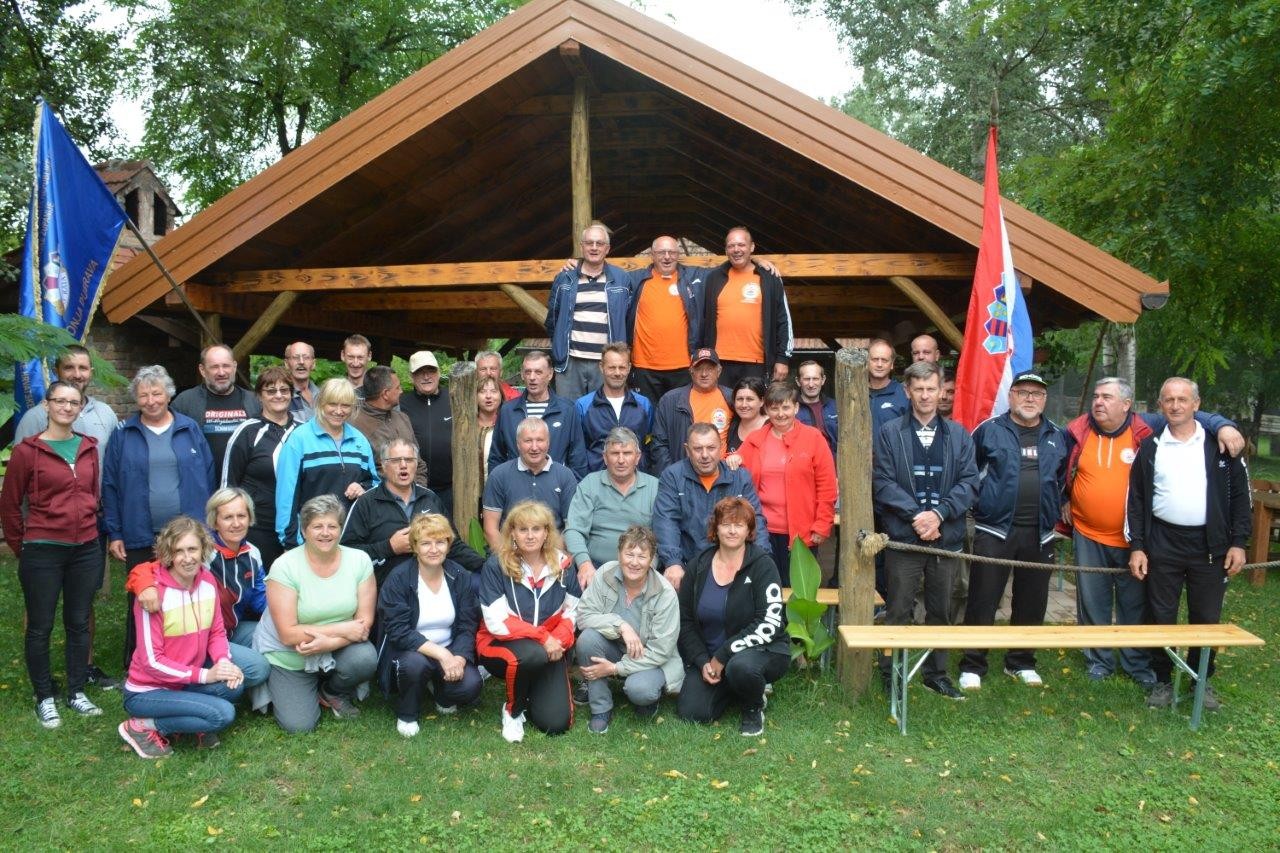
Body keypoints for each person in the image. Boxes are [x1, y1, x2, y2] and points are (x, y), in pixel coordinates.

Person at [1062, 377, 1242, 688]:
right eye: (1096, 396)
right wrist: (1064, 498)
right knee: (1096, 603)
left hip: (1144, 541)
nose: (1098, 402)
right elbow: (1058, 469)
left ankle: (1141, 664)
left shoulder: (1148, 428)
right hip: (1092, 534)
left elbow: (1188, 414)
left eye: (1107, 397)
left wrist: (1224, 425)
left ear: (1127, 405)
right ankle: (1103, 664)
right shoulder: (1078, 430)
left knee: (1140, 606)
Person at [1128, 378, 1250, 711]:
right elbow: (1136, 501)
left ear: (1197, 404)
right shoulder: (1151, 446)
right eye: (1169, 400)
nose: (1176, 406)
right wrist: (1138, 546)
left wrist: (1239, 542)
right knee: (1160, 614)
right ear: (1160, 405)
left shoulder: (1219, 445)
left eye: (1183, 399)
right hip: (1163, 542)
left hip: (1210, 545)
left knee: (1205, 616)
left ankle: (1201, 681)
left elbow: (1241, 497)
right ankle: (1163, 681)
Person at [1, 380, 106, 727]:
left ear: (79, 407)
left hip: (85, 549)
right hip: (43, 549)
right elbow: (10, 504)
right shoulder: (28, 451)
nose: (66, 407)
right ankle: (44, 696)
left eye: (73, 402)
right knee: (40, 626)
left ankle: (76, 690)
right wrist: (23, 545)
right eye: (59, 401)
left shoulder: (88, 447)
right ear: (46, 406)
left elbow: (93, 494)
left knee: (78, 623)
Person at [873, 360, 978, 700]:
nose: (925, 395)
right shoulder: (890, 432)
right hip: (904, 538)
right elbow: (882, 481)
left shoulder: (959, 435)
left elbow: (969, 483)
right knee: (899, 607)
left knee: (941, 608)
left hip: (945, 538)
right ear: (907, 391)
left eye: (931, 389)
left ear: (941, 390)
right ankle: (891, 672)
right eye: (918, 389)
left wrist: (939, 514)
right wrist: (918, 516)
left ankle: (936, 672)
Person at [957, 371, 1068, 691]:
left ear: (1045, 399)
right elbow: (970, 474)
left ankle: (1021, 661)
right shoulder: (989, 431)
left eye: (1037, 393)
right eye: (1023, 392)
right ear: (1012, 395)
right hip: (994, 530)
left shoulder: (1056, 435)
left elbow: (1061, 480)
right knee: (983, 598)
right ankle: (973, 663)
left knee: (1032, 601)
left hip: (1039, 533)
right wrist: (981, 509)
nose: (1030, 398)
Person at [103, 365, 215, 669]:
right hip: (141, 532)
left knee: (189, 595)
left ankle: (190, 659)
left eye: (157, 393)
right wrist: (115, 532)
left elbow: (208, 476)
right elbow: (110, 485)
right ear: (136, 399)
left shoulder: (189, 429)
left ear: (168, 393)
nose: (151, 400)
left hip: (187, 535)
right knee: (143, 599)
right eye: (144, 395)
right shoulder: (123, 434)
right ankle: (138, 663)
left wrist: (208, 527)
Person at [117, 517, 244, 758]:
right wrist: (206, 675)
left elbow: (216, 631)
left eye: (193, 549)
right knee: (222, 714)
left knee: (234, 686)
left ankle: (188, 719)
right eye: (179, 551)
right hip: (148, 691)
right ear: (168, 554)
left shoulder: (207, 581)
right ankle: (140, 727)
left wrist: (223, 662)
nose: (187, 558)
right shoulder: (152, 595)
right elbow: (152, 662)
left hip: (183, 681)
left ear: (204, 549)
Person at [254, 495, 378, 733]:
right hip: (292, 655)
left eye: (332, 526)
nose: (325, 533)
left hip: (339, 647)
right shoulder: (285, 566)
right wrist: (342, 629)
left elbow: (364, 623)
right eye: (317, 526)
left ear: (341, 529)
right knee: (299, 725)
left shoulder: (359, 561)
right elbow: (288, 635)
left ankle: (331, 690)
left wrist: (329, 643)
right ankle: (293, 685)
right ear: (304, 530)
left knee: (364, 658)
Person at [125, 489, 271, 692]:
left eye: (241, 516)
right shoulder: (200, 552)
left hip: (230, 630)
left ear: (250, 518)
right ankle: (202, 683)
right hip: (202, 637)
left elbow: (259, 598)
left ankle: (266, 691)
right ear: (215, 521)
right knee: (258, 668)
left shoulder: (253, 553)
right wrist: (145, 585)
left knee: (274, 633)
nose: (236, 523)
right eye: (228, 517)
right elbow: (147, 569)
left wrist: (290, 615)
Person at [676, 497, 788, 737]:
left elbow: (768, 624)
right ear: (715, 528)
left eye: (739, 525)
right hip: (712, 656)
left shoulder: (763, 566)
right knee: (693, 711)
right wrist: (702, 661)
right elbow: (685, 621)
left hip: (762, 651)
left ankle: (753, 705)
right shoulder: (698, 566)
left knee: (741, 668)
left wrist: (723, 655)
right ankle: (737, 689)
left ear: (749, 530)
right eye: (726, 524)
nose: (732, 530)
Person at [476, 500, 581, 742]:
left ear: (547, 533)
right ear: (512, 533)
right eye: (523, 530)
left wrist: (559, 641)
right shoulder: (496, 565)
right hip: (499, 645)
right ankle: (513, 711)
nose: (530, 536)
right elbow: (497, 621)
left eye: (536, 529)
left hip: (550, 647)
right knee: (531, 654)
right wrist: (544, 638)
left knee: (556, 723)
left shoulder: (564, 565)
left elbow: (573, 612)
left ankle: (533, 691)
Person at [376, 513, 483, 738]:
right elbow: (398, 630)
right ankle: (407, 712)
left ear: (448, 544)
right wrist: (443, 655)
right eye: (425, 543)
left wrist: (459, 658)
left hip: (449, 649)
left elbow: (467, 624)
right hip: (409, 652)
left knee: (471, 685)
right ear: (414, 546)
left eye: (440, 542)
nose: (433, 549)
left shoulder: (459, 575)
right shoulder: (399, 578)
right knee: (415, 665)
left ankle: (442, 694)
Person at [577, 525, 683, 733]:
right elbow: (583, 616)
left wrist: (615, 669)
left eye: (642, 556)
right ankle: (601, 709)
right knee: (588, 639)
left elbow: (661, 651)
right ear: (619, 554)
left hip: (650, 658)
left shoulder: (665, 594)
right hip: (614, 647)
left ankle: (648, 700)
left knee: (640, 690)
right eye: (629, 554)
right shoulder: (605, 573)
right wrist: (621, 626)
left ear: (652, 560)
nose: (634, 562)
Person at [342, 438, 483, 584]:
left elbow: (453, 546)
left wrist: (486, 566)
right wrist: (389, 547)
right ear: (384, 466)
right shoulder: (366, 503)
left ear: (416, 464)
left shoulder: (430, 498)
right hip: (387, 594)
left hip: (432, 588)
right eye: (396, 460)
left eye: (409, 460)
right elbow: (346, 553)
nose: (403, 465)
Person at [734, 382, 837, 584]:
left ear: (796, 408)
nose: (781, 413)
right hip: (762, 530)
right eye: (774, 408)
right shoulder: (756, 439)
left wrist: (822, 524)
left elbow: (827, 486)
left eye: (786, 407)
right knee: (766, 586)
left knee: (799, 588)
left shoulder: (814, 438)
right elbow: (734, 461)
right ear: (766, 410)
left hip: (802, 529)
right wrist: (732, 458)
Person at [653, 423, 769, 590]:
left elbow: (755, 520)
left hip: (734, 567)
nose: (705, 455)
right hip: (688, 566)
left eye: (711, 448)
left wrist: (760, 561)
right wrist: (672, 562)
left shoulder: (739, 477)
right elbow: (666, 520)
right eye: (698, 449)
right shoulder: (673, 476)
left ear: (721, 447)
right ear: (687, 449)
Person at [274, 378, 378, 548]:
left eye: (345, 405)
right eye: (332, 404)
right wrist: (290, 542)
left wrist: (363, 488)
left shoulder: (360, 440)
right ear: (321, 402)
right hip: (310, 540)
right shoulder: (299, 439)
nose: (339, 411)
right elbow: (286, 496)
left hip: (351, 541)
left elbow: (375, 484)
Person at [563, 427, 659, 590]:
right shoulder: (589, 484)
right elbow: (574, 530)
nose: (621, 460)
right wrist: (584, 564)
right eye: (615, 453)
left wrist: (649, 566)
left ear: (638, 457)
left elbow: (663, 535)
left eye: (627, 453)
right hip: (595, 570)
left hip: (641, 570)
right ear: (605, 458)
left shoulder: (655, 487)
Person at [221, 366, 297, 569]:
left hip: (296, 527)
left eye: (284, 390)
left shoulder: (303, 432)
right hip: (259, 526)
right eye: (271, 391)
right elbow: (228, 485)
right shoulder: (247, 432)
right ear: (259, 396)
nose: (278, 395)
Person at [546, 222, 632, 399]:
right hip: (570, 362)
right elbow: (552, 319)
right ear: (581, 246)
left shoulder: (622, 279)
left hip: (607, 362)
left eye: (599, 244)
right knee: (569, 415)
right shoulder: (564, 278)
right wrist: (559, 348)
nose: (594, 248)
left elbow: (630, 319)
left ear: (607, 249)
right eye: (589, 243)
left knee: (602, 416)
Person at [699, 226, 792, 388]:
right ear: (726, 250)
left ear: (752, 247)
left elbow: (783, 321)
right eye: (731, 246)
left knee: (754, 411)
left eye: (741, 245)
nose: (736, 250)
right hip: (719, 363)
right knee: (721, 413)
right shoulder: (713, 278)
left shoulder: (769, 278)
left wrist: (782, 359)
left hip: (756, 363)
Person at [626, 234, 704, 404]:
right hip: (644, 366)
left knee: (679, 417)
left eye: (671, 252)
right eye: (661, 252)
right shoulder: (635, 279)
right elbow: (604, 271)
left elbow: (731, 266)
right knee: (647, 420)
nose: (667, 257)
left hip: (682, 366)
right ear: (652, 255)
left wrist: (756, 261)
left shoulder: (692, 278)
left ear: (678, 255)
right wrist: (577, 263)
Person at [482, 418, 579, 551]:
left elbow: (571, 527)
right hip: (509, 555)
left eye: (540, 440)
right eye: (528, 441)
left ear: (548, 442)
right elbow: (490, 529)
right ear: (518, 444)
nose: (534, 447)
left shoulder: (565, 475)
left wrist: (553, 559)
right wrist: (509, 561)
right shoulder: (499, 475)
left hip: (553, 554)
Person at [488, 350, 586, 476]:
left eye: (538, 372)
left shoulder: (567, 410)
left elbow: (578, 459)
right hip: (515, 488)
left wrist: (571, 491)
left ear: (550, 374)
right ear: (522, 375)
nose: (532, 377)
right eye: (528, 372)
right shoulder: (508, 411)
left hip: (555, 488)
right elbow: (496, 457)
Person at [170, 343, 261, 470]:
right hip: (203, 483)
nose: (221, 372)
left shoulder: (255, 401)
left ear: (234, 367)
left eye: (226, 366)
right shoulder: (185, 402)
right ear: (202, 370)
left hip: (244, 485)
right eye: (214, 367)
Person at [650, 348, 733, 472]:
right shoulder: (670, 400)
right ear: (691, 371)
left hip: (722, 474)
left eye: (709, 369)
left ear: (719, 371)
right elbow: (659, 444)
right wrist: (672, 475)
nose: (704, 374)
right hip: (684, 475)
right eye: (699, 369)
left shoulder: (733, 398)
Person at [575, 342, 653, 474]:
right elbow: (578, 450)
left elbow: (649, 445)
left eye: (622, 368)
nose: (617, 373)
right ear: (601, 367)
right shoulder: (583, 405)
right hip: (596, 482)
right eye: (612, 367)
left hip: (636, 481)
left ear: (629, 368)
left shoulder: (644, 404)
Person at [350, 365, 427, 488]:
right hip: (378, 500)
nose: (401, 391)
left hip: (414, 497)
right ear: (385, 394)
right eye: (397, 387)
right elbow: (357, 473)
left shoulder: (403, 418)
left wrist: (418, 492)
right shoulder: (354, 426)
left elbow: (419, 463)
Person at [399, 351, 455, 510]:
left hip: (451, 487)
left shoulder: (453, 398)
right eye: (420, 372)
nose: (426, 377)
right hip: (415, 486)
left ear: (438, 373)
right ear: (411, 376)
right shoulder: (402, 403)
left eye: (430, 371)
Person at [795, 360, 838, 455]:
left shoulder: (836, 407)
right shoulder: (790, 408)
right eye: (806, 379)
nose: (811, 384)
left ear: (823, 380)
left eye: (815, 379)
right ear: (798, 381)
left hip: (833, 464)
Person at [867, 339, 908, 437]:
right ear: (867, 361)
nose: (879, 364)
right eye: (875, 359)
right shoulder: (855, 392)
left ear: (892, 364)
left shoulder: (903, 393)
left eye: (884, 360)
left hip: (892, 452)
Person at [726, 376, 768, 454]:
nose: (744, 405)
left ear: (762, 401)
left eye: (749, 399)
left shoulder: (771, 426)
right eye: (740, 399)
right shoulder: (732, 424)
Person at [476, 375, 503, 486]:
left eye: (493, 391)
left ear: (501, 395)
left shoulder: (507, 425)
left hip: (499, 488)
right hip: (470, 492)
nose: (488, 396)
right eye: (482, 392)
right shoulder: (466, 426)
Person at [284, 341, 320, 425]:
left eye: (306, 357)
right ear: (286, 364)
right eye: (296, 357)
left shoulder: (324, 395)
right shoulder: (280, 397)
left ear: (313, 363)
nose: (301, 362)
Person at [340, 334, 372, 399]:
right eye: (350, 357)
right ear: (343, 355)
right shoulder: (335, 390)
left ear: (369, 356)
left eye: (360, 357)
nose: (355, 364)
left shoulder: (379, 391)